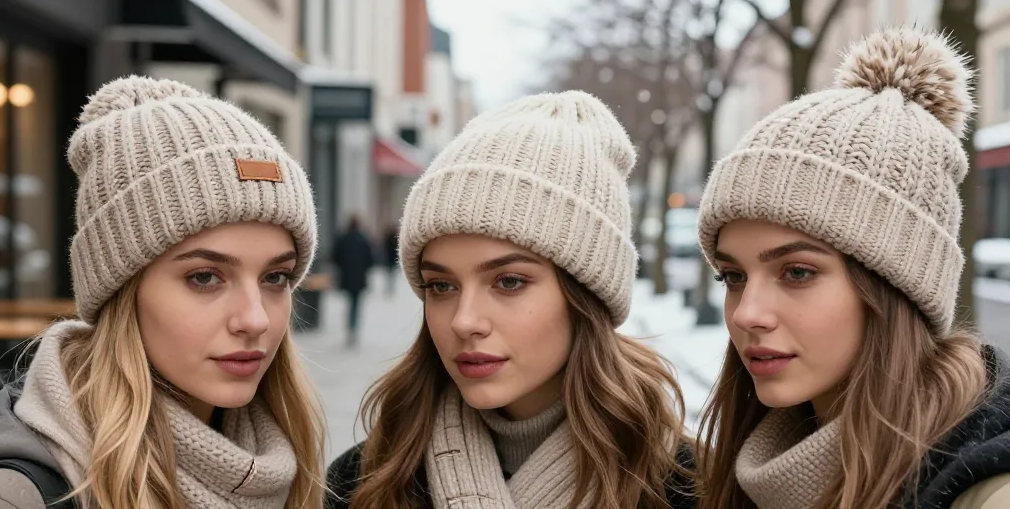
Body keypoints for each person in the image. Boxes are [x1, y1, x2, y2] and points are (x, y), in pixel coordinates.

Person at [325, 91, 696, 509]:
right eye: (441, 286)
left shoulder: (687, 487)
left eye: (509, 282)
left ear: (587, 295)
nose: (464, 322)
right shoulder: (364, 481)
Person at [695, 27, 1010, 509]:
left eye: (797, 272)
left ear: (896, 284)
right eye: (733, 277)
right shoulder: (741, 472)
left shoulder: (985, 492)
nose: (745, 314)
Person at [0, 76, 326, 508]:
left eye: (275, 277)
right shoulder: (19, 494)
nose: (255, 319)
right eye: (205, 277)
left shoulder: (287, 466)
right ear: (122, 289)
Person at [331, 216, 375, 347]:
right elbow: (371, 259)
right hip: (359, 278)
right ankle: (353, 328)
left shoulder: (343, 239)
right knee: (356, 303)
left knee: (349, 303)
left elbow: (335, 257)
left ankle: (350, 327)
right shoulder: (363, 239)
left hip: (346, 277)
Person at [383, 224, 400, 296]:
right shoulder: (393, 239)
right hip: (391, 259)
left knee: (390, 274)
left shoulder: (390, 239)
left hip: (390, 259)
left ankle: (390, 287)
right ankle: (390, 287)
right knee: (391, 274)